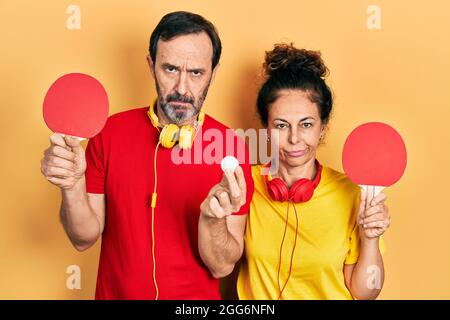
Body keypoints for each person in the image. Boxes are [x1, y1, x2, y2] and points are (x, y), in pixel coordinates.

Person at [40, 11, 253, 300]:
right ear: (151, 65)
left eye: (196, 73)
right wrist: (72, 185)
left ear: (213, 74)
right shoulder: (109, 133)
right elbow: (82, 238)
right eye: (170, 69)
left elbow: (222, 267)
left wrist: (213, 220)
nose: (182, 88)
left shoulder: (233, 147)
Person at [236, 43, 390, 300]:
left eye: (306, 124)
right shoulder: (244, 184)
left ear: (322, 128)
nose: (294, 138)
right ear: (265, 128)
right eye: (281, 125)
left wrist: (370, 238)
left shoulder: (352, 193)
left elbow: (364, 294)